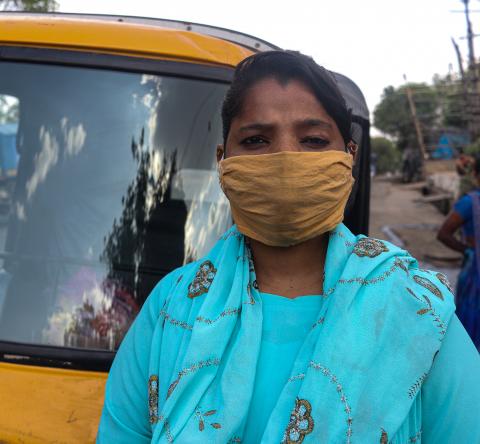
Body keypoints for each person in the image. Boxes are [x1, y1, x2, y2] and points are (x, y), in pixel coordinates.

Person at [97, 51, 480, 443]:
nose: (285, 158)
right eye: (256, 140)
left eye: (313, 140)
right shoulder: (172, 307)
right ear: (222, 161)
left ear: (349, 156)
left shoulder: (413, 309)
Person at [438, 155, 480, 349]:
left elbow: (444, 233)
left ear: (475, 175)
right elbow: (444, 234)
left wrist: (468, 250)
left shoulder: (469, 202)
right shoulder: (470, 202)